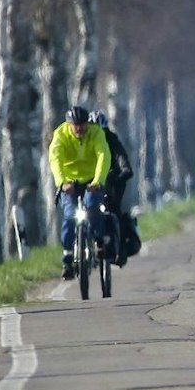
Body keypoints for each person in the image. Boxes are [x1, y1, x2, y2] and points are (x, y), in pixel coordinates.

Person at [49, 104, 111, 279]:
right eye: (75, 125)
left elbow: (103, 156)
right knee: (69, 216)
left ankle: (99, 241)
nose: (79, 129)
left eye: (82, 125)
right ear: (69, 124)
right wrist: (62, 182)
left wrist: (98, 180)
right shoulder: (60, 135)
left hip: (91, 181)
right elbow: (55, 159)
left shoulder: (96, 132)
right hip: (69, 183)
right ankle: (67, 257)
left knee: (92, 208)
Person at [92, 111, 138, 265]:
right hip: (90, 184)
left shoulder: (112, 140)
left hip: (111, 183)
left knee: (115, 210)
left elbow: (121, 158)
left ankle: (121, 248)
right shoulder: (87, 142)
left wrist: (123, 171)